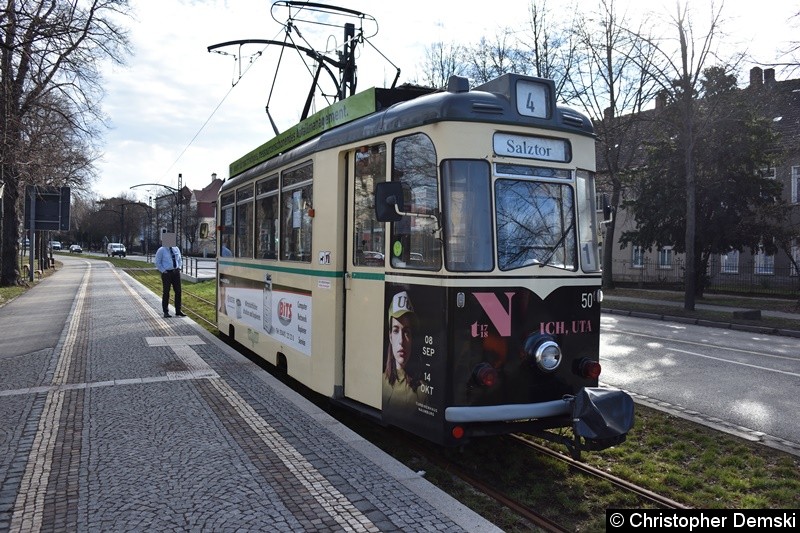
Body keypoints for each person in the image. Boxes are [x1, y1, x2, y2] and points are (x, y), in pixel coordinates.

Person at [382, 290, 422, 410]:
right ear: (390, 337)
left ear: (412, 338)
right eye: (396, 331)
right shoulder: (380, 382)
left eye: (406, 332)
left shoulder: (422, 391)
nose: (401, 340)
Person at [154, 235, 185, 318]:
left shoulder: (176, 249)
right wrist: (164, 271)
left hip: (176, 272)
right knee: (166, 292)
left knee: (178, 291)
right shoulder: (161, 250)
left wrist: (179, 267)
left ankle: (178, 310)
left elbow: (179, 259)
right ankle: (166, 311)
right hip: (167, 273)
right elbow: (157, 262)